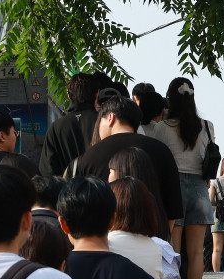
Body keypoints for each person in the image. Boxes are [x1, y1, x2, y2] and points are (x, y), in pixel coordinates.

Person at [141, 77, 215, 279]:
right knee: (196, 251)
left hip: (172, 188)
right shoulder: (207, 126)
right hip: (200, 190)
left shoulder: (162, 127)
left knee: (172, 249)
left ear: (170, 99)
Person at [74, 94, 183, 229]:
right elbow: (173, 208)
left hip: (106, 239)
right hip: (151, 239)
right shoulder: (162, 150)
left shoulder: (90, 155)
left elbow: (82, 206)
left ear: (110, 118)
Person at [39, 73, 98, 177]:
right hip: (100, 190)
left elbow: (47, 171)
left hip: (67, 190)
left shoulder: (55, 127)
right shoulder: (104, 122)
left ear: (69, 96)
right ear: (97, 94)